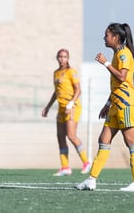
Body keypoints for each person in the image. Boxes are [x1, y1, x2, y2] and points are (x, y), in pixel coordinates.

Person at [75, 23, 134, 192]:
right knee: (103, 140)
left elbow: (122, 77)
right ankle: (91, 180)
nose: (104, 38)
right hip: (116, 104)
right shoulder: (117, 55)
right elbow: (117, 85)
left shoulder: (124, 54)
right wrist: (107, 104)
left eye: (106, 35)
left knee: (131, 141)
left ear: (115, 37)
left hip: (127, 104)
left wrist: (105, 63)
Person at [42, 48, 91, 176]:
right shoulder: (56, 73)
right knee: (60, 135)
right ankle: (65, 167)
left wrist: (70, 103)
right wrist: (47, 107)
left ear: (68, 58)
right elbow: (56, 92)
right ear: (57, 58)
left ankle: (86, 162)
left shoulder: (72, 72)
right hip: (61, 108)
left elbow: (78, 90)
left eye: (64, 57)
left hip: (72, 107)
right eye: (60, 56)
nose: (62, 59)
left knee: (71, 135)